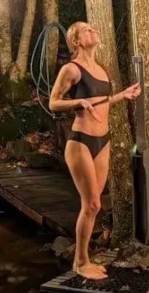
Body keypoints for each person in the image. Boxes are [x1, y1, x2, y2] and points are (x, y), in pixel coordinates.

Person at [49, 21, 140, 279]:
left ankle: (83, 258)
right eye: (86, 30)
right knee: (92, 202)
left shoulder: (100, 70)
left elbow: (101, 101)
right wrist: (78, 101)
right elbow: (54, 103)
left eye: (93, 28)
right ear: (76, 41)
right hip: (81, 141)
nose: (93, 30)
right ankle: (80, 262)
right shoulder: (71, 69)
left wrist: (122, 95)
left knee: (92, 207)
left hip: (104, 140)